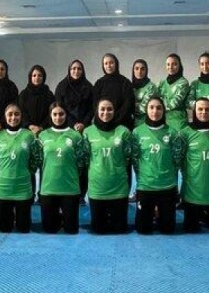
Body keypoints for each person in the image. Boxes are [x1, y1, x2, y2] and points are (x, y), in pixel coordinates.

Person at [131, 97, 183, 234]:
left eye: (159, 108)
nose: (155, 111)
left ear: (164, 111)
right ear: (146, 110)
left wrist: (171, 181)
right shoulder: (137, 133)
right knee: (142, 230)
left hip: (167, 186)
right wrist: (144, 178)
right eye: (151, 107)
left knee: (168, 229)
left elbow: (177, 160)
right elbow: (135, 160)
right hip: (145, 186)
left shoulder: (172, 133)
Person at [0, 104, 41, 233]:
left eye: (17, 114)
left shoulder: (29, 136)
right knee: (4, 229)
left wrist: (28, 172)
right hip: (3, 187)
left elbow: (36, 157)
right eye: (10, 114)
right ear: (5, 116)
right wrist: (1, 173)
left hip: (23, 187)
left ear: (21, 116)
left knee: (24, 228)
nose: (13, 117)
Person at [83, 99, 134, 234]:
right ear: (97, 111)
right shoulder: (88, 132)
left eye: (109, 109)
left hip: (119, 188)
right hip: (97, 189)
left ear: (115, 111)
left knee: (120, 229)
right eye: (103, 109)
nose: (106, 112)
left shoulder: (124, 132)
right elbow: (86, 159)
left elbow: (128, 157)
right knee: (98, 230)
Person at [179, 98, 209, 233]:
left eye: (207, 109)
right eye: (200, 109)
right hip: (193, 191)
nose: (204, 112)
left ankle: (207, 215)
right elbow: (180, 161)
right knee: (190, 230)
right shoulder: (185, 133)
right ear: (194, 111)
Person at [37, 102, 87, 234]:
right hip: (49, 188)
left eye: (61, 114)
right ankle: (57, 217)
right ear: (50, 115)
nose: (58, 117)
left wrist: (71, 175)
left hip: (70, 188)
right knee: (49, 229)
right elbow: (39, 160)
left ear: (66, 115)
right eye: (54, 114)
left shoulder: (75, 136)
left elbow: (81, 162)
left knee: (71, 230)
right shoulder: (42, 135)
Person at [54, 59, 93, 203]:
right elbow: (59, 108)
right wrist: (72, 124)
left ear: (83, 71)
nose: (76, 71)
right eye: (73, 69)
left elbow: (92, 108)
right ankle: (64, 191)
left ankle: (81, 194)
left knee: (83, 162)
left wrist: (83, 123)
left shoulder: (89, 87)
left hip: (84, 129)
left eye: (79, 69)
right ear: (69, 70)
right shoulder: (61, 86)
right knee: (67, 161)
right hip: (65, 128)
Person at [93, 53, 135, 130]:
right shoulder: (99, 83)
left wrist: (114, 119)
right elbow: (95, 104)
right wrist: (105, 118)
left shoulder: (125, 82)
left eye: (111, 63)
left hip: (122, 123)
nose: (108, 66)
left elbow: (128, 104)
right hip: (103, 123)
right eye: (106, 63)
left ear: (116, 64)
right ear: (103, 66)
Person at [18, 65, 55, 136]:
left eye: (40, 75)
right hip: (26, 130)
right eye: (34, 75)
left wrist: (41, 127)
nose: (37, 78)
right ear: (30, 77)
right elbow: (21, 112)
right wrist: (30, 126)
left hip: (45, 130)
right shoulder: (24, 94)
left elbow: (52, 112)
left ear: (43, 77)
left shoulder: (49, 94)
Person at [157, 54, 190, 130]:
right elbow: (155, 99)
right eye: (168, 64)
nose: (170, 67)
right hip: (162, 120)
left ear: (179, 66)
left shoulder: (183, 83)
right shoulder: (161, 83)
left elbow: (174, 103)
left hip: (178, 121)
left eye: (174, 64)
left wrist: (158, 108)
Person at [131, 59, 158, 128]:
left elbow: (145, 107)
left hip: (146, 124)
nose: (139, 71)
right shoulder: (129, 87)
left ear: (146, 71)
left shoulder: (151, 87)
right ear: (133, 71)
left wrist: (130, 106)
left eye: (142, 69)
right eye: (136, 69)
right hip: (131, 124)